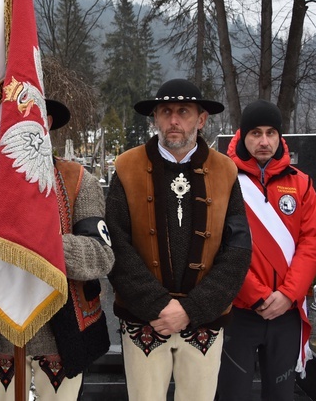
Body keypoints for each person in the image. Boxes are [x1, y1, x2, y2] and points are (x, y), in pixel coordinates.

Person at [106, 78, 251, 400]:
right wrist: (159, 305)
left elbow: (238, 250)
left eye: (183, 112)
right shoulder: (127, 167)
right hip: (144, 321)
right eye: (166, 111)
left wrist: (191, 309)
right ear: (155, 117)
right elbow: (115, 243)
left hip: (204, 321)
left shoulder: (225, 171)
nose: (174, 120)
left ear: (201, 119)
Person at [0, 99, 114, 401]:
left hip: (62, 337)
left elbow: (100, 255)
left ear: (47, 122)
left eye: (32, 117)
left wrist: (40, 242)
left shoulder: (79, 180)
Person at [217, 99, 316, 400]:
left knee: (281, 394)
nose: (264, 141)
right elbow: (219, 245)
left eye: (271, 133)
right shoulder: (225, 181)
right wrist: (257, 295)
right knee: (232, 393)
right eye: (255, 133)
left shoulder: (301, 184)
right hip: (240, 310)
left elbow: (312, 242)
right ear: (243, 135)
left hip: (285, 314)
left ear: (280, 137)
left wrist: (288, 294)